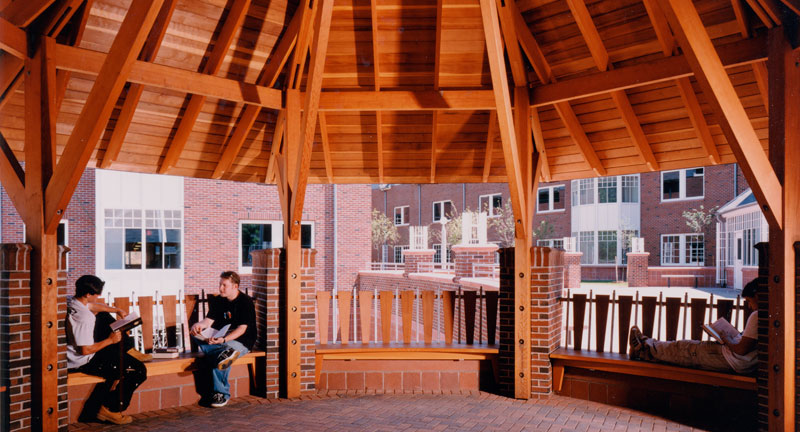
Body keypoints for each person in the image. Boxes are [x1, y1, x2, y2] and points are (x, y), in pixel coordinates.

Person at [629, 280, 759, 374]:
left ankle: (642, 348)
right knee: (684, 348)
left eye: (749, 301)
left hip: (730, 358)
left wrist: (727, 338)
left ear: (757, 296)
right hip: (733, 358)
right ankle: (646, 345)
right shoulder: (765, 316)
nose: (749, 306)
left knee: (684, 349)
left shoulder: (757, 315)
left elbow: (741, 349)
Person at [66, 275, 148, 425]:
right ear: (88, 294)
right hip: (84, 360)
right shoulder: (85, 318)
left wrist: (116, 310)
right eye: (96, 294)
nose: (98, 297)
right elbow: (85, 350)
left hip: (76, 355)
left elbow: (92, 306)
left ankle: (128, 348)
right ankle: (111, 409)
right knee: (138, 371)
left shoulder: (72, 301)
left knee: (103, 315)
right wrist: (111, 340)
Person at [190, 271, 256, 408]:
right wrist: (198, 325)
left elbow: (242, 329)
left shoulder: (245, 302)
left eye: (224, 285)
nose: (220, 288)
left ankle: (221, 394)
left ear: (235, 286)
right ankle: (224, 353)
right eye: (220, 284)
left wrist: (224, 340)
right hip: (220, 339)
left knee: (220, 358)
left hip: (241, 341)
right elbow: (208, 321)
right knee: (195, 335)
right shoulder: (219, 300)